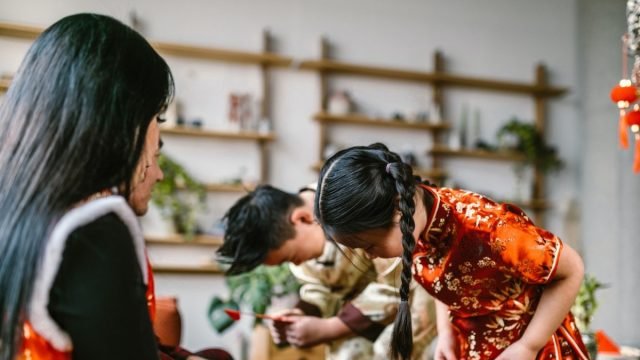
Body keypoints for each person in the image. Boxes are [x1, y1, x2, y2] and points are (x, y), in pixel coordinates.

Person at [0, 13, 231, 360]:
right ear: (123, 120)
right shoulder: (92, 231)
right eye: (158, 118)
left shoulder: (22, 216)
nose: (157, 144)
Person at [313, 143, 590, 360]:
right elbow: (444, 279)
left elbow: (572, 268)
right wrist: (446, 334)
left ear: (398, 208)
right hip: (473, 347)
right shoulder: (417, 222)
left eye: (369, 246)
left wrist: (529, 346)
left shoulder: (489, 229)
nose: (371, 256)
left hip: (532, 349)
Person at [217, 184, 437, 359]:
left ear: (302, 219)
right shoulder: (302, 239)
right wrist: (303, 313)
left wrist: (332, 327)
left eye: (291, 258)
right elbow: (318, 286)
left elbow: (396, 282)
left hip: (422, 291)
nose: (295, 265)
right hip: (371, 315)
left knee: (387, 352)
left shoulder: (352, 204)